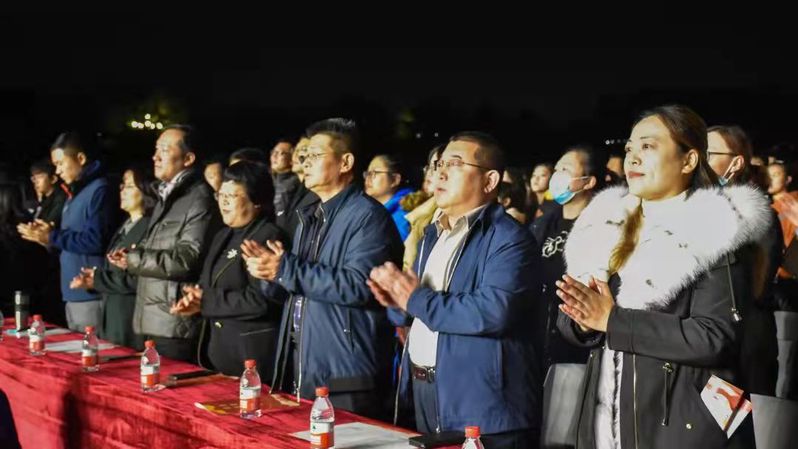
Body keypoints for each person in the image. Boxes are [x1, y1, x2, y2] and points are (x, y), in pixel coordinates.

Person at [557, 105, 768, 448]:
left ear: (688, 160)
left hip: (679, 427)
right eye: (630, 148)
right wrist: (582, 321)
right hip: (604, 422)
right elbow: (574, 320)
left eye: (648, 146)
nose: (633, 157)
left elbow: (715, 337)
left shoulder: (715, 228)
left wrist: (613, 321)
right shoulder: (603, 226)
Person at [369, 131, 542, 448]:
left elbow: (493, 311)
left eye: (455, 164)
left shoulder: (510, 239)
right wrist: (397, 302)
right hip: (427, 391)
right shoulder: (432, 234)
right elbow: (420, 310)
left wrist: (414, 298)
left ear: (489, 181)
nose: (441, 173)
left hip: (483, 406)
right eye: (439, 165)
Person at [244, 118, 403, 419]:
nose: (305, 162)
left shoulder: (368, 217)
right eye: (304, 156)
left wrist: (285, 269)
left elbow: (359, 286)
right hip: (305, 365)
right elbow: (298, 286)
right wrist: (269, 273)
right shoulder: (310, 216)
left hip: (347, 376)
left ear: (345, 162)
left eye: (315, 155)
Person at [108, 125, 221, 362]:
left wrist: (135, 259)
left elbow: (187, 259)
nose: (156, 157)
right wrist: (131, 256)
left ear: (188, 159)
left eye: (165, 150)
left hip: (174, 322)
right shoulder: (167, 195)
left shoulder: (199, 198)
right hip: (151, 318)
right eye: (156, 149)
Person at [170, 161, 286, 377]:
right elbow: (208, 285)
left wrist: (206, 301)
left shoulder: (268, 237)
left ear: (256, 200)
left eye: (231, 196)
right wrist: (194, 299)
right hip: (218, 352)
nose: (223, 201)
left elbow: (261, 300)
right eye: (220, 194)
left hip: (250, 357)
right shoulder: (223, 235)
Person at [18, 132, 117, 332]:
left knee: (92, 350)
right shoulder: (74, 192)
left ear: (80, 158)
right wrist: (46, 238)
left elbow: (96, 240)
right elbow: (69, 241)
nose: (58, 170)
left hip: (91, 294)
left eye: (60, 163)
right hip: (73, 294)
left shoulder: (100, 190)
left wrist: (52, 236)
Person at [529, 144, 606, 373]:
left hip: (575, 349)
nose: (557, 175)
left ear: (588, 181)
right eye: (557, 169)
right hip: (536, 343)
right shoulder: (541, 226)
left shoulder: (601, 228)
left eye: (566, 169)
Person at [70, 166, 156, 348]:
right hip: (112, 316)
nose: (122, 190)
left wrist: (99, 280)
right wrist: (93, 279)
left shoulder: (151, 228)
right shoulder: (125, 226)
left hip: (132, 319)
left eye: (130, 186)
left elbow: (141, 280)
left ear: (146, 191)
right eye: (122, 185)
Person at [364, 154, 414, 240]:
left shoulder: (405, 215)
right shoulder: (370, 212)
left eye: (374, 173)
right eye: (367, 173)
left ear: (395, 179)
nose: (368, 178)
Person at [28, 158, 67, 227]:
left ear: (53, 179)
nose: (36, 182)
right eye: (34, 178)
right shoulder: (44, 198)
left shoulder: (60, 199)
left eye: (40, 177)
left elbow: (48, 224)